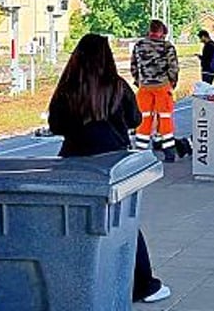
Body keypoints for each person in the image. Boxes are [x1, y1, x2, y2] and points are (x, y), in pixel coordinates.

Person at [46, 33, 171, 304]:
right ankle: (145, 286)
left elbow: (55, 125)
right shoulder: (117, 86)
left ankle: (74, 283)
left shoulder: (68, 88)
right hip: (114, 164)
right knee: (125, 224)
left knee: (75, 224)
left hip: (74, 164)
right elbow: (135, 119)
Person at [131, 19, 180, 162]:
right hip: (162, 87)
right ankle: (169, 152)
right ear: (162, 32)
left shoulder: (139, 45)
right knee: (165, 118)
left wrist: (139, 81)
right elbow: (173, 68)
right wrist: (172, 83)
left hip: (144, 87)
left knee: (144, 118)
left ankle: (140, 151)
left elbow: (134, 66)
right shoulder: (167, 47)